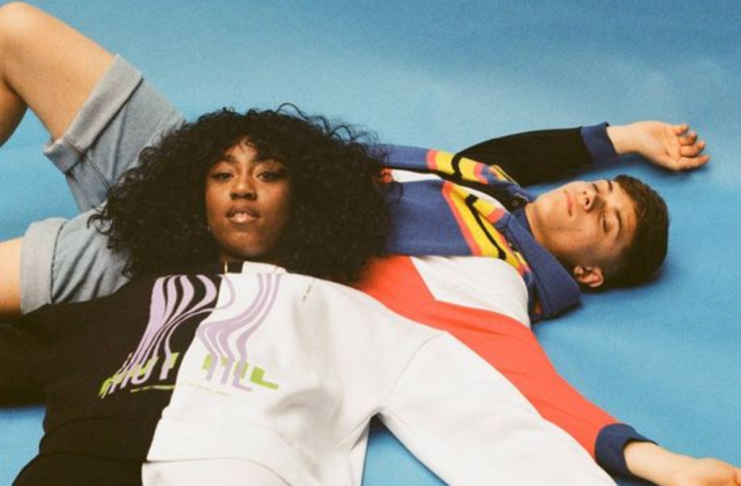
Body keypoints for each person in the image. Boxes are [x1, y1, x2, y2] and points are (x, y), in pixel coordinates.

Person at [0, 3, 737, 486]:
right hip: (203, 161)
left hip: (169, 253)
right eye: (599, 189)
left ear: (588, 274)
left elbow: (532, 396)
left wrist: (653, 461)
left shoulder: (487, 285)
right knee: (16, 29)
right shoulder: (486, 189)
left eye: (605, 222)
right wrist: (621, 137)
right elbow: (512, 153)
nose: (588, 198)